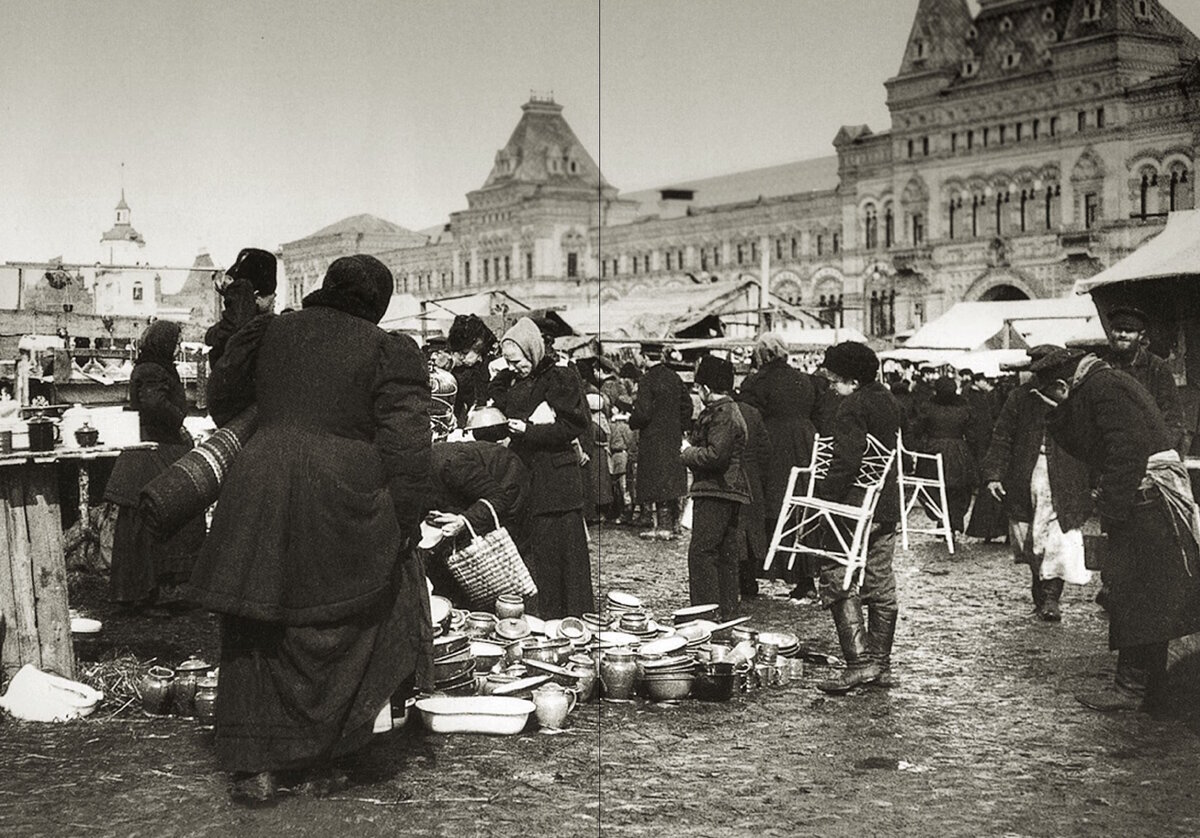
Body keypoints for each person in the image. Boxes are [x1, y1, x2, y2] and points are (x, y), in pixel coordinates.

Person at [186, 255, 433, 804]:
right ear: (378, 303)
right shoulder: (387, 350)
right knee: (343, 620)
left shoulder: (271, 329)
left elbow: (223, 399)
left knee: (257, 623)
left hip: (260, 480)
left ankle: (254, 764)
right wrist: (406, 519)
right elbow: (408, 448)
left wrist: (282, 411)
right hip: (339, 494)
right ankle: (322, 756)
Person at [1032, 347, 1200, 715]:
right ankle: (1146, 688)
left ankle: (1133, 689)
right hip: (1145, 500)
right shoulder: (1103, 382)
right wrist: (1060, 412)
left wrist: (1110, 511)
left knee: (1134, 595)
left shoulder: (1103, 389)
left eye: (1054, 395)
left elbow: (1124, 451)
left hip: (1145, 502)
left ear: (1063, 384)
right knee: (1145, 598)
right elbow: (1094, 445)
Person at [811, 342, 902, 695]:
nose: (832, 387)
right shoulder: (888, 400)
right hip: (886, 504)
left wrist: (824, 498)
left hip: (855, 505)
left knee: (837, 570)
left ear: (851, 379)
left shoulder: (852, 406)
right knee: (880, 579)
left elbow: (847, 460)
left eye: (835, 380)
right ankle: (881, 663)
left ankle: (859, 663)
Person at [490, 316, 592, 618]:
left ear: (533, 351)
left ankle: (572, 622)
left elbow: (573, 425)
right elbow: (500, 398)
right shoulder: (518, 379)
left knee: (566, 559)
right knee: (541, 558)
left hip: (558, 483)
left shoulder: (560, 377)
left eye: (517, 360)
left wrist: (529, 432)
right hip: (531, 479)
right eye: (508, 361)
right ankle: (545, 619)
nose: (513, 367)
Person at [981, 348, 1093, 621]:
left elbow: (1093, 440)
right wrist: (994, 474)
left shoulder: (1074, 397)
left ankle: (1051, 599)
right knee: (1029, 538)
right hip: (1025, 475)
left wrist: (1095, 480)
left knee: (1059, 538)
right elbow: (1003, 436)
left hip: (1066, 475)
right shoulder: (1020, 398)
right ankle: (1040, 591)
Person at [104, 320, 204, 614]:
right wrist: (178, 419)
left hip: (158, 445)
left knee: (151, 522)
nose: (177, 347)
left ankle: (150, 591)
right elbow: (152, 404)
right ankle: (145, 596)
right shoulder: (152, 370)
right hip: (152, 451)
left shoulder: (153, 366)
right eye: (174, 342)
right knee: (151, 521)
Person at [423, 407, 531, 605]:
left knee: (500, 584)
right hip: (474, 502)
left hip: (507, 491)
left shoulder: (449, 463)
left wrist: (464, 520)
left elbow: (498, 497)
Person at [738, 332, 818, 599]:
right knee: (799, 506)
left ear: (762, 354)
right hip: (804, 443)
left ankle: (752, 572)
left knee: (764, 504)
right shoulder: (804, 380)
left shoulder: (757, 382)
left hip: (772, 445)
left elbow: (747, 416)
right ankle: (805, 577)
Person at [681, 356, 750, 621]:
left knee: (703, 553)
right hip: (729, 489)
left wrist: (688, 452)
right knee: (725, 554)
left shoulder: (722, 414)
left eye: (699, 388)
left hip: (716, 489)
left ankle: (704, 615)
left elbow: (715, 455)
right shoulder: (729, 410)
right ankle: (727, 612)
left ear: (706, 388)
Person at [629, 342, 691, 540]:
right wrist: (679, 426)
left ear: (646, 357)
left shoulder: (647, 380)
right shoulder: (674, 377)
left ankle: (661, 527)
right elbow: (687, 405)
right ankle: (673, 524)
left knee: (655, 480)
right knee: (671, 479)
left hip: (652, 438)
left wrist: (633, 420)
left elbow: (643, 413)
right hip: (672, 437)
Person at [1103, 306, 1184, 453]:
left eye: (1129, 331)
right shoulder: (1103, 368)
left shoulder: (1157, 368)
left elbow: (1172, 417)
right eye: (1118, 329)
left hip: (1151, 449)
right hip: (1113, 449)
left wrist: (1160, 451)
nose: (1122, 334)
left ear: (1141, 335)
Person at [910, 376, 979, 536]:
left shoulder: (928, 406)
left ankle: (941, 517)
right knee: (958, 487)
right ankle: (955, 521)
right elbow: (972, 433)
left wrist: (921, 444)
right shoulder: (964, 407)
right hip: (958, 450)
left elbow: (918, 428)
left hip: (933, 450)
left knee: (933, 485)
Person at [205, 247, 276, 367]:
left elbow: (226, 329)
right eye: (272, 297)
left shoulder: (234, 331)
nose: (274, 302)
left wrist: (235, 294)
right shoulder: (272, 329)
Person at [735, 396, 771, 599]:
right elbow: (765, 449)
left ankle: (737, 580)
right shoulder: (753, 412)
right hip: (752, 475)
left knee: (735, 529)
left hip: (731, 476)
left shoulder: (722, 410)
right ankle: (750, 580)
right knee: (752, 530)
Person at [446, 314, 498, 426]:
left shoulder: (492, 366)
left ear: (479, 347)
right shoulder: (462, 370)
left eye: (464, 353)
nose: (460, 357)